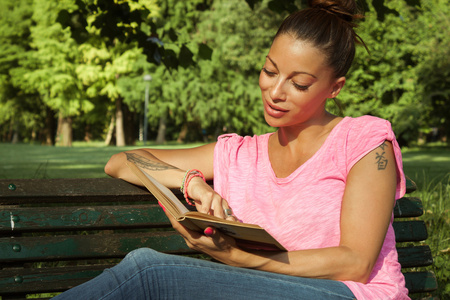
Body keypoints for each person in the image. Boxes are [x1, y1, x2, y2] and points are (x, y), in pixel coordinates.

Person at [53, 0, 409, 299]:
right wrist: (191, 182)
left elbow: (356, 263)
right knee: (146, 271)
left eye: (298, 83)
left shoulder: (364, 140)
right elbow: (122, 162)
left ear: (335, 87)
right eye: (269, 71)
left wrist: (238, 258)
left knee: (150, 272)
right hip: (266, 289)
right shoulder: (239, 155)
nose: (275, 91)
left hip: (352, 294)